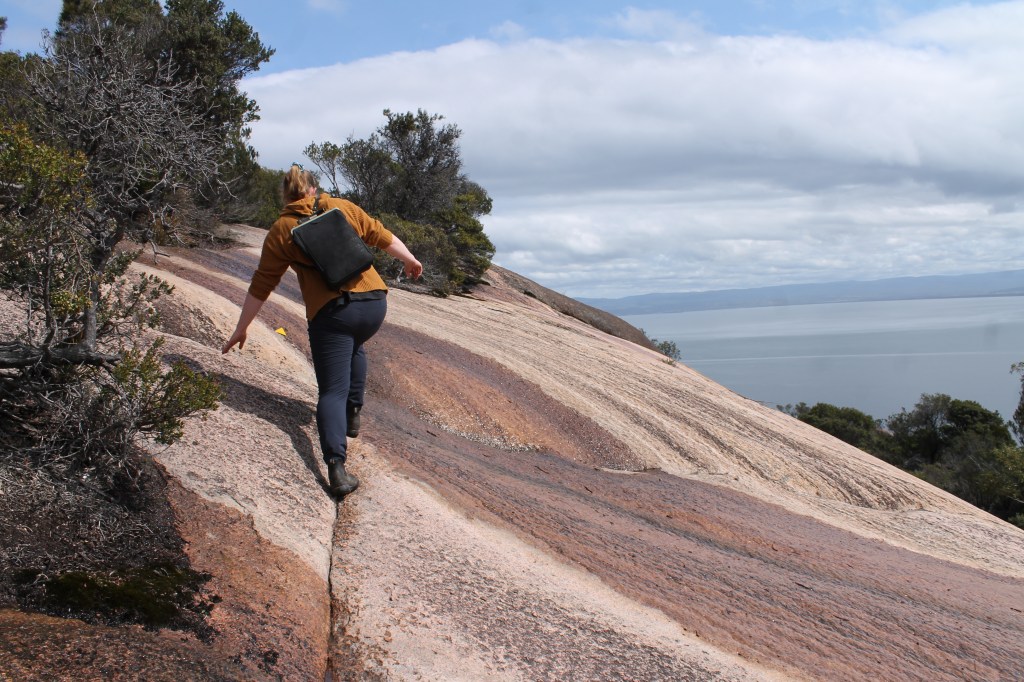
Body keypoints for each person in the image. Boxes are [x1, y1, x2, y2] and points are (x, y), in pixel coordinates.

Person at [222, 165, 422, 498]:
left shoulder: (281, 230)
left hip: (332, 315)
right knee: (355, 345)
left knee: (331, 390)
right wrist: (410, 259)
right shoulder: (342, 207)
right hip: (374, 304)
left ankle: (336, 466)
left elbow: (262, 284)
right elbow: (380, 234)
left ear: (286, 196)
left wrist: (241, 328)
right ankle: (353, 412)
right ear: (314, 190)